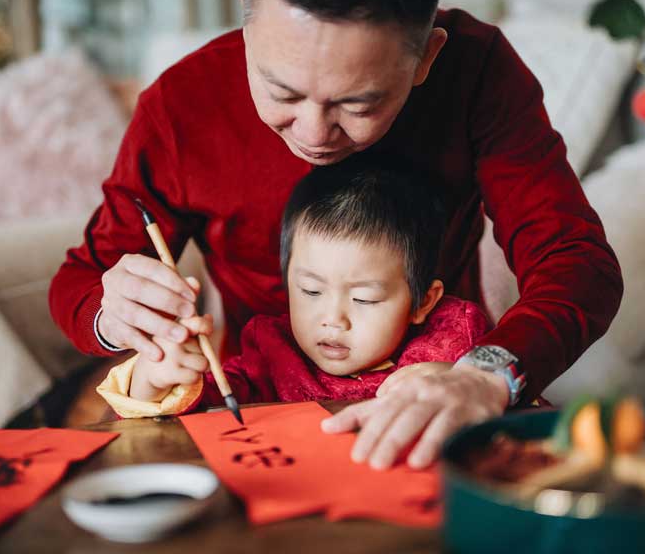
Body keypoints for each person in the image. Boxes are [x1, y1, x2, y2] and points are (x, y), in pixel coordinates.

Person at [49, 0, 622, 470]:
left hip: (441, 386)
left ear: (426, 59)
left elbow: (575, 261)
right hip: (260, 403)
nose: (314, 133)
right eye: (282, 93)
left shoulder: (475, 71)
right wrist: (114, 310)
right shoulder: (182, 105)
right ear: (248, 30)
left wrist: (489, 374)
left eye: (357, 102)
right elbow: (80, 281)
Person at [97, 156, 495, 462]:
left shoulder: (455, 340)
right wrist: (154, 380)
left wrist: (463, 380)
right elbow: (183, 429)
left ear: (423, 301)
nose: (333, 319)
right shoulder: (271, 353)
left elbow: (524, 421)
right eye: (310, 290)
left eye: (364, 299)